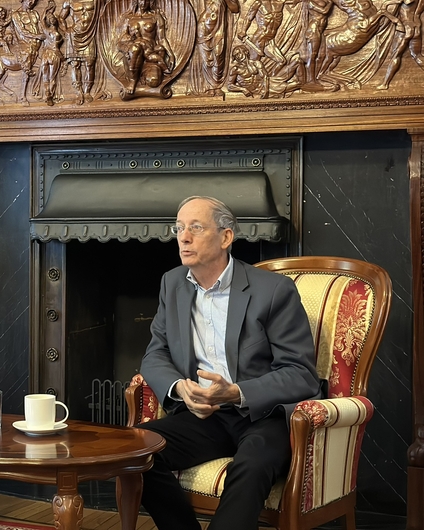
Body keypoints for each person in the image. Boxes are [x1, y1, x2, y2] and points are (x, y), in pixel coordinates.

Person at [138, 196, 322, 530]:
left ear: (226, 237)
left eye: (196, 227)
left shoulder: (273, 291)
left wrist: (236, 392)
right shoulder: (173, 283)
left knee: (251, 466)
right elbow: (155, 352)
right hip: (205, 416)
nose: (183, 237)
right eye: (179, 228)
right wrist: (180, 388)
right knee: (136, 451)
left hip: (264, 416)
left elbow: (302, 375)